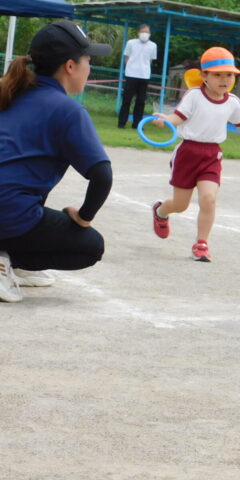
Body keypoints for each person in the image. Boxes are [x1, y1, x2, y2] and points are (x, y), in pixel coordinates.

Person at [0, 20, 113, 303]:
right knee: (90, 246)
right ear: (70, 66)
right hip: (8, 213)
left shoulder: (9, 94)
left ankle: (13, 259)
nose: (90, 67)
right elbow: (102, 176)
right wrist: (84, 217)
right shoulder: (68, 110)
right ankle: (6, 258)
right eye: (88, 60)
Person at [150, 46, 240, 263]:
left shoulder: (232, 102)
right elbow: (178, 117)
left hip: (212, 155)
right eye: (217, 75)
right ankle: (161, 211)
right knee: (180, 205)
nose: (224, 80)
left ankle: (201, 244)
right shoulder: (194, 96)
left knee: (208, 199)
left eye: (229, 75)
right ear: (204, 76)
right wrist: (166, 120)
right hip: (188, 153)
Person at [118, 24, 158, 129]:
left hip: (144, 76)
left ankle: (137, 124)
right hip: (131, 74)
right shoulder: (130, 43)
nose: (145, 34)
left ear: (150, 34)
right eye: (143, 32)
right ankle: (121, 123)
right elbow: (126, 57)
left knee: (141, 101)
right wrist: (130, 68)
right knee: (126, 100)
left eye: (147, 32)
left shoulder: (153, 45)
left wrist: (144, 69)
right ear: (138, 33)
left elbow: (150, 60)